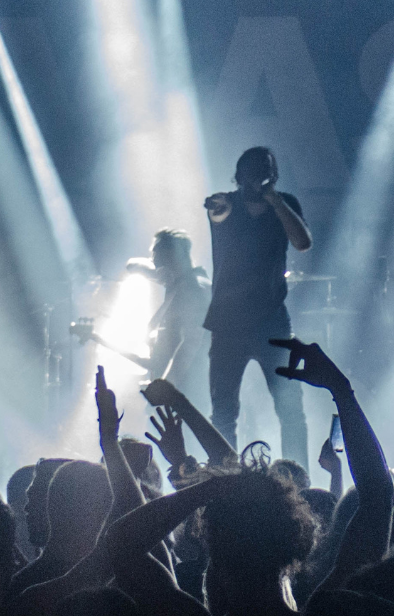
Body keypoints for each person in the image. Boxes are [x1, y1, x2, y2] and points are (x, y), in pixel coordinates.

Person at [202, 147, 314, 466]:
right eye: (251, 171)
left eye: (265, 170)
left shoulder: (286, 205)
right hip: (227, 325)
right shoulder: (225, 203)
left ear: (273, 174)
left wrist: (275, 201)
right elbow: (217, 213)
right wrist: (218, 206)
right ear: (239, 176)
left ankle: (297, 477)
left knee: (291, 410)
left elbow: (303, 242)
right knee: (223, 412)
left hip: (273, 324)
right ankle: (225, 482)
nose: (258, 177)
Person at [126, 229, 211, 393]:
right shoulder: (181, 282)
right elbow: (136, 266)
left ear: (170, 256)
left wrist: (166, 385)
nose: (152, 259)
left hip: (190, 390)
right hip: (182, 387)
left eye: (155, 254)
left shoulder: (194, 289)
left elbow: (191, 343)